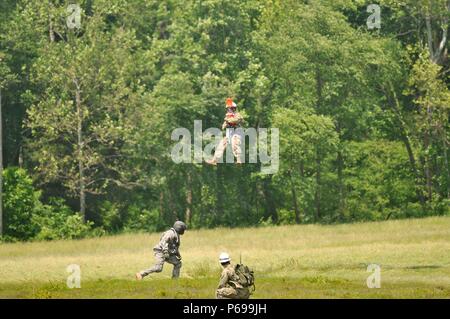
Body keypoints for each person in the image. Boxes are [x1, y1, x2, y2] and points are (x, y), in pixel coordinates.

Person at [206, 98, 244, 165]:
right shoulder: (228, 116)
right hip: (230, 132)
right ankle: (214, 160)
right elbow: (223, 126)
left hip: (237, 132)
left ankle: (239, 159)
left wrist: (228, 119)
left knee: (234, 142)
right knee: (222, 143)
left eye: (229, 108)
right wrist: (225, 123)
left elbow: (235, 120)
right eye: (228, 109)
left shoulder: (237, 115)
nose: (228, 110)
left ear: (233, 109)